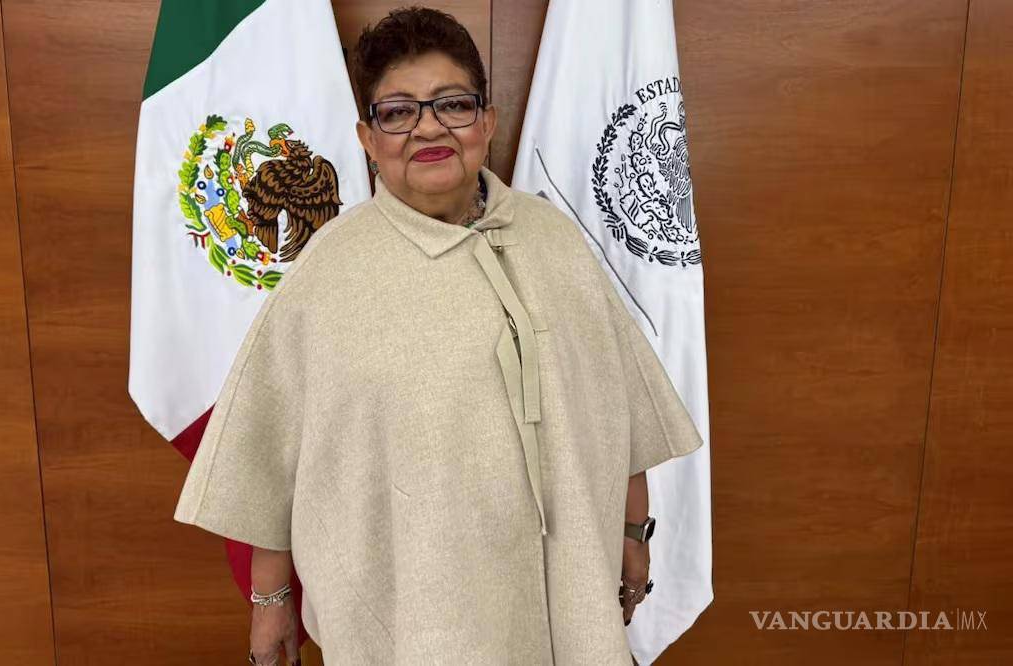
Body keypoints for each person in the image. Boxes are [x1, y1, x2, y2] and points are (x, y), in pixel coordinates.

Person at [174, 7, 704, 665]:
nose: (428, 127)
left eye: (452, 104)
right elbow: (270, 462)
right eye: (398, 112)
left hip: (570, 592)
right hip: (416, 614)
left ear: (487, 121)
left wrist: (633, 532)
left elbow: (619, 412)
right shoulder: (328, 275)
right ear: (368, 139)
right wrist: (270, 601)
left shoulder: (556, 241)